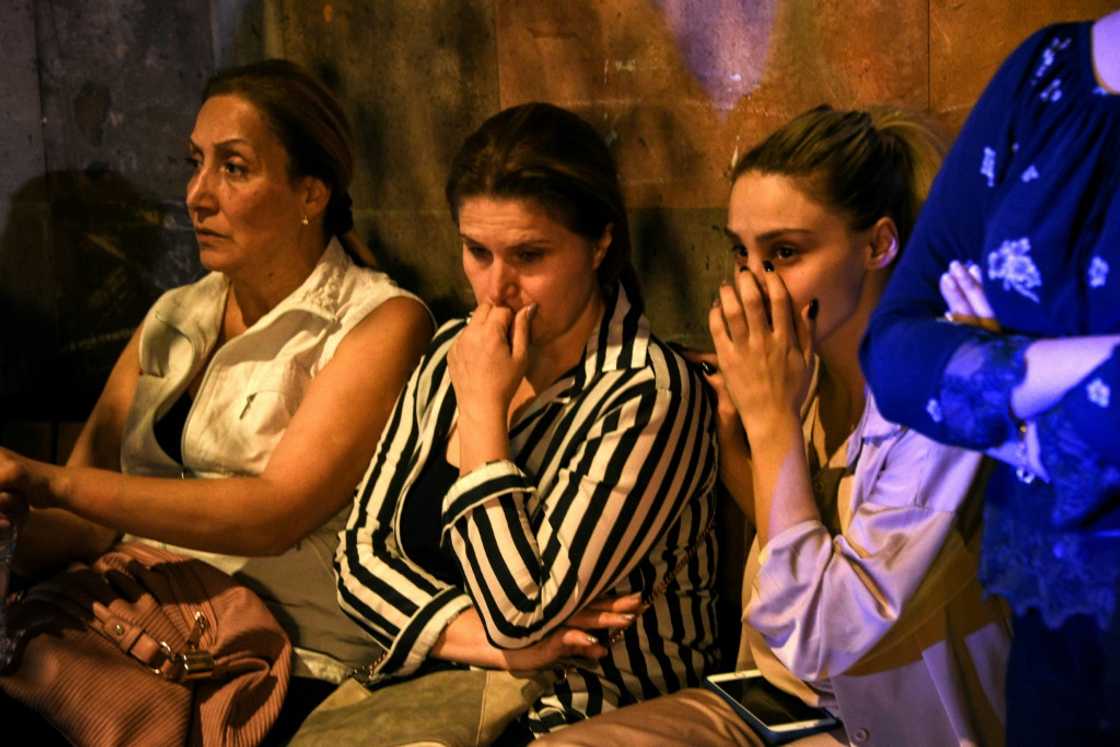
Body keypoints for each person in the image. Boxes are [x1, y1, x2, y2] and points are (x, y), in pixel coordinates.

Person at [536, 106, 1011, 747]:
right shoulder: (803, 365)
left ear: (878, 244)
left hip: (893, 724)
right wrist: (744, 435)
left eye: (784, 253)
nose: (753, 284)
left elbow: (825, 636)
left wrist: (771, 422)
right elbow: (795, 526)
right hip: (776, 698)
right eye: (742, 252)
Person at [0, 59, 432, 731]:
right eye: (194, 163)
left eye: (233, 168)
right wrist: (14, 516)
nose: (198, 195)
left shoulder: (379, 322)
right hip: (133, 620)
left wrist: (51, 482)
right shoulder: (175, 313)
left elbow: (273, 513)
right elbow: (84, 522)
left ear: (311, 193)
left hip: (278, 656)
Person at [334, 102, 720, 741]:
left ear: (599, 244)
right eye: (477, 252)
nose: (496, 288)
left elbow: (522, 611)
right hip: (433, 698)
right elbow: (358, 557)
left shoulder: (644, 390)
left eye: (529, 255)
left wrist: (483, 412)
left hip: (587, 712)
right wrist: (496, 648)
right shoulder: (453, 347)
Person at [860, 12, 1120, 745]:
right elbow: (895, 350)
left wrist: (999, 392)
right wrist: (1072, 368)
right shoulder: (1046, 71)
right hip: (1059, 640)